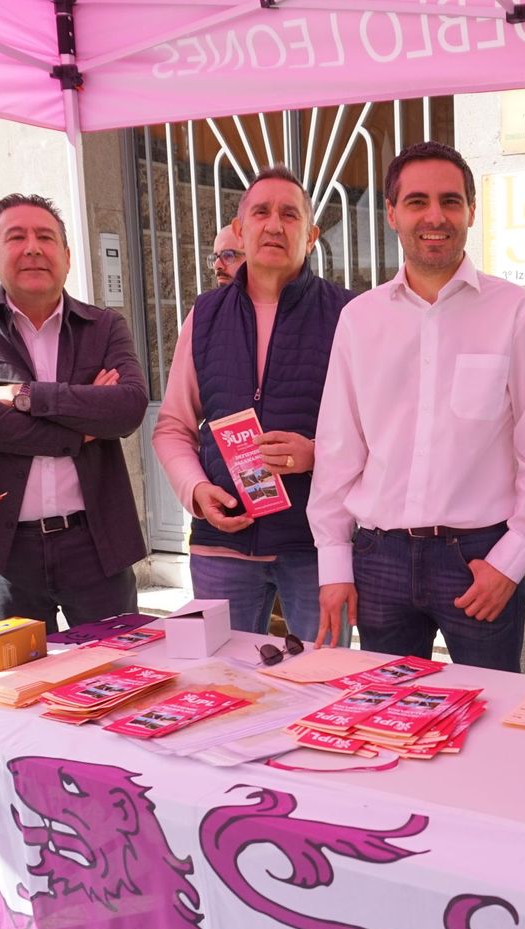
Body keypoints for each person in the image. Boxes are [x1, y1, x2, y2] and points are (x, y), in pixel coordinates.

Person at [309, 141, 525, 671]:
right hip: (379, 560)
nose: (435, 216)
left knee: (490, 717)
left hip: (477, 559)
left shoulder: (519, 314)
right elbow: (338, 450)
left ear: (472, 211)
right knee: (389, 719)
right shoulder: (360, 319)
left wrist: (510, 562)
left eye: (451, 201)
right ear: (392, 214)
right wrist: (334, 564)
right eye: (417, 201)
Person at [153, 166, 353, 641]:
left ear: (311, 236)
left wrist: (315, 455)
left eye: (290, 214)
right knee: (223, 683)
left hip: (315, 545)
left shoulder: (348, 314)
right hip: (222, 543)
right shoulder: (204, 315)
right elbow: (173, 426)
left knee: (322, 682)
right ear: (241, 230)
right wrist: (197, 492)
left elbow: (379, 432)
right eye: (261, 212)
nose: (275, 224)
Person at [0, 193, 148, 631]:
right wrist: (78, 427)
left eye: (45, 237)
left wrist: (25, 396)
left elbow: (127, 409)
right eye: (16, 237)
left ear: (67, 257)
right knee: (14, 689)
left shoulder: (105, 326)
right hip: (2, 553)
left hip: (97, 544)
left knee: (119, 679)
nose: (33, 247)